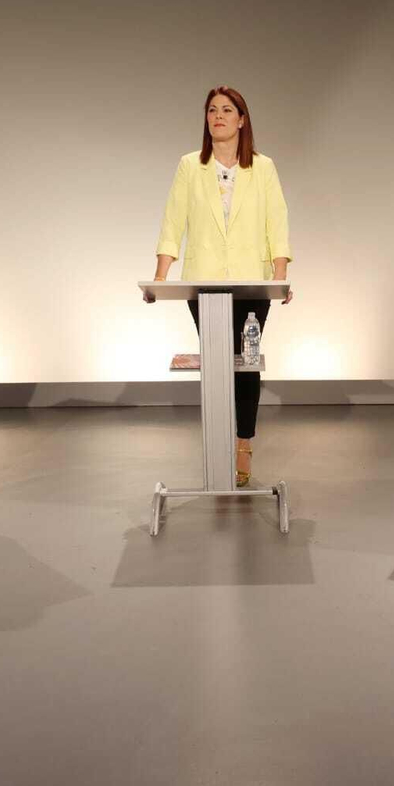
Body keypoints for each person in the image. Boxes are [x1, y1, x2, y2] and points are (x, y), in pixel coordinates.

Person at [148, 86, 291, 486]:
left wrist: (279, 277)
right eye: (212, 110)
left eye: (227, 110)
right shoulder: (190, 165)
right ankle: (216, 447)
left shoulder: (263, 167)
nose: (218, 116)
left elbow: (276, 223)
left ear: (242, 119)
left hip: (251, 282)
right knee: (215, 365)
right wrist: (161, 278)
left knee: (245, 364)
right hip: (204, 280)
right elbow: (173, 221)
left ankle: (243, 443)